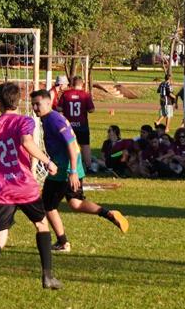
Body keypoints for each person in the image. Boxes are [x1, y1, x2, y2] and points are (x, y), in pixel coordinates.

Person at [0, 82, 62, 305]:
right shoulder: (25, 121)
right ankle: (47, 276)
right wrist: (47, 161)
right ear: (18, 101)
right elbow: (26, 141)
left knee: (0, 236)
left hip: (0, 189)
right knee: (41, 225)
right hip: (24, 187)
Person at [30, 89, 128, 253]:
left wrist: (72, 171)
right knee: (76, 203)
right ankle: (108, 214)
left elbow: (72, 145)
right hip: (70, 168)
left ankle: (63, 242)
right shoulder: (49, 119)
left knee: (48, 206)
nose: (34, 107)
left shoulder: (55, 120)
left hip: (63, 170)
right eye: (33, 104)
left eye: (37, 104)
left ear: (48, 103)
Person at [58, 76, 96, 172]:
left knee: (68, 145)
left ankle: (66, 165)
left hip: (69, 126)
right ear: (82, 84)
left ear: (72, 84)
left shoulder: (66, 94)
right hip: (82, 125)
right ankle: (88, 166)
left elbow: (59, 108)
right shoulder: (85, 95)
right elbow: (92, 109)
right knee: (85, 146)